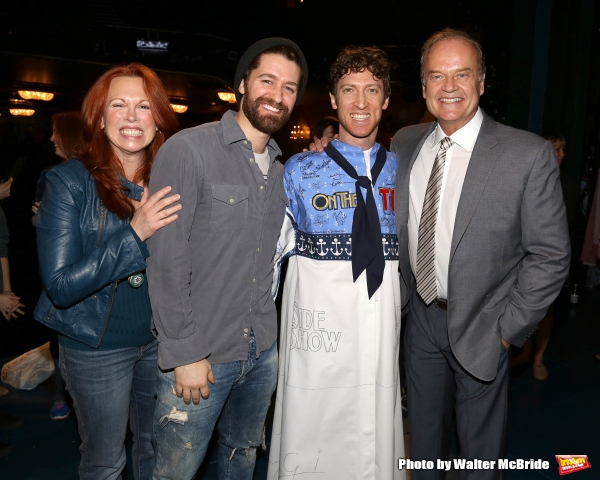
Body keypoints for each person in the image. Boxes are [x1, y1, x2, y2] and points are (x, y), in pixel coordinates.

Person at [391, 29, 570, 479]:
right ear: (424, 84)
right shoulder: (405, 143)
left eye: (462, 74)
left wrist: (506, 333)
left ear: (483, 82)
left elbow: (550, 256)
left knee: (478, 461)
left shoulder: (526, 155)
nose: (449, 86)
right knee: (423, 450)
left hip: (485, 324)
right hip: (421, 324)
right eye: (437, 75)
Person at [147, 38, 307, 480]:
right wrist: (184, 352)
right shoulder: (188, 150)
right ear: (242, 85)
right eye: (268, 81)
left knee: (241, 460)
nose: (277, 95)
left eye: (290, 88)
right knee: (175, 472)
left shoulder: (281, 170)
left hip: (261, 354)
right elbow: (166, 258)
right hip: (201, 356)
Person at [34, 63, 180, 480]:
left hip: (160, 342)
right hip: (94, 347)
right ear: (100, 118)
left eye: (144, 106)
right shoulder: (68, 183)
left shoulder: (172, 180)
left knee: (157, 452)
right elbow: (61, 287)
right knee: (104, 463)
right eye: (119, 105)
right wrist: (136, 233)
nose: (132, 117)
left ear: (158, 119)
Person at [267, 46, 404, 480]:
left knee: (374, 420)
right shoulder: (298, 170)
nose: (360, 103)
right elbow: (267, 252)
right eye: (349, 90)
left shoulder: (405, 170)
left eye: (371, 91)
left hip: (380, 320)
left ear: (386, 100)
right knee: (315, 420)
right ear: (332, 99)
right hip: (319, 328)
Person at [32, 111, 83, 420]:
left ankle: (69, 395)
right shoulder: (52, 176)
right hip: (59, 269)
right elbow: (36, 221)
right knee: (62, 334)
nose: (51, 138)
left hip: (89, 272)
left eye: (55, 132)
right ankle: (62, 393)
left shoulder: (99, 175)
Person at [511, 133, 571, 380]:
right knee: (524, 304)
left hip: (555, 254)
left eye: (563, 149)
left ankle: (538, 358)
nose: (561, 155)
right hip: (525, 252)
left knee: (545, 309)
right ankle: (525, 351)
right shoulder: (527, 176)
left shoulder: (566, 181)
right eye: (557, 149)